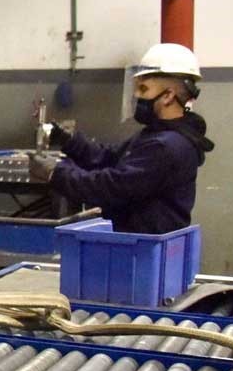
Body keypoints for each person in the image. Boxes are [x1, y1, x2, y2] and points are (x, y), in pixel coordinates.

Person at [29, 43, 215, 234]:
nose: (136, 95)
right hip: (134, 239)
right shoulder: (157, 134)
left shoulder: (166, 146)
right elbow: (110, 157)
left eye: (143, 88)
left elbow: (111, 187)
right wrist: (68, 140)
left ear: (168, 95)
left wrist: (56, 173)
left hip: (142, 245)